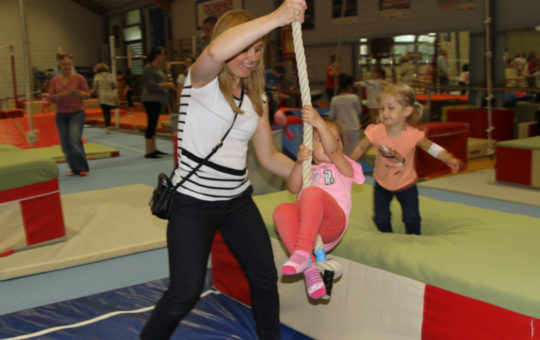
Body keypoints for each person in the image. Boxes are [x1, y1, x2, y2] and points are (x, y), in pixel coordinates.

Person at [139, 2, 306, 339]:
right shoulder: (199, 83)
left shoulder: (255, 98)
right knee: (183, 293)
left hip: (237, 203)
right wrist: (277, 17)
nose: (251, 57)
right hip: (193, 204)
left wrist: (305, 168)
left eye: (258, 50)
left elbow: (269, 157)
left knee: (264, 278)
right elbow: (215, 51)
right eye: (244, 48)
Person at [273, 107, 364, 299]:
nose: (330, 143)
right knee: (282, 210)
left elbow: (332, 151)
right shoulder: (309, 171)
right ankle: (309, 269)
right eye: (320, 139)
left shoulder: (343, 165)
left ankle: (303, 252)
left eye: (336, 139)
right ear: (310, 146)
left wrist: (319, 123)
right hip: (312, 230)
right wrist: (299, 163)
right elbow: (292, 188)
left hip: (333, 222)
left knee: (312, 193)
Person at [350, 83, 461, 235]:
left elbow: (430, 147)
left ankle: (414, 238)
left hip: (406, 184)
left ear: (407, 111)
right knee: (380, 218)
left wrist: (447, 157)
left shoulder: (413, 134)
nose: (385, 112)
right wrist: (348, 163)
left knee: (411, 217)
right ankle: (387, 236)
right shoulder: (376, 131)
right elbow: (361, 148)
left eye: (391, 108)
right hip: (382, 183)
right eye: (382, 108)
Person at [48, 54, 91, 176]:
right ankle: (73, 168)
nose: (67, 67)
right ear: (59, 66)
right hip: (61, 115)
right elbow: (51, 98)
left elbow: (88, 94)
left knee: (74, 140)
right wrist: (60, 95)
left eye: (69, 64)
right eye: (64, 64)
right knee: (65, 144)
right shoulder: (55, 80)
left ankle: (82, 167)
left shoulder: (79, 78)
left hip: (76, 113)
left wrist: (80, 94)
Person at [141, 46, 176, 158]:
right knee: (151, 124)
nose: (164, 56)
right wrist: (167, 84)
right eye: (163, 53)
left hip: (157, 99)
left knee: (154, 124)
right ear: (157, 55)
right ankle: (149, 150)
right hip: (150, 99)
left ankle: (153, 148)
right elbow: (150, 85)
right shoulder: (148, 68)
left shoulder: (156, 68)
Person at [329, 73, 362, 155]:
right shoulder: (354, 97)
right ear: (350, 86)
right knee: (355, 152)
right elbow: (359, 111)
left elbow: (331, 116)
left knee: (343, 152)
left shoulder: (334, 99)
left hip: (342, 129)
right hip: (354, 128)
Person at [265, 63, 293, 140]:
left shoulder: (276, 76)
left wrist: (279, 93)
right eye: (279, 75)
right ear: (274, 71)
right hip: (263, 94)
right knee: (269, 115)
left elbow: (278, 85)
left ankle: (285, 129)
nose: (279, 77)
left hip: (269, 94)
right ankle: (268, 129)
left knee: (277, 113)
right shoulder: (266, 74)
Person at [92, 63, 119, 134]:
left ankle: (108, 126)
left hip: (102, 95)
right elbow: (115, 85)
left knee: (105, 112)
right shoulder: (110, 75)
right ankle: (108, 125)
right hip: (110, 95)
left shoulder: (97, 76)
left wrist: (95, 91)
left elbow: (95, 86)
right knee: (108, 111)